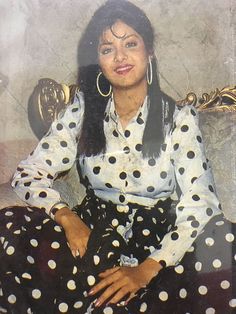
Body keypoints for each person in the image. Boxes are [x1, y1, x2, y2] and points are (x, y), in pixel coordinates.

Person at [0, 0, 235, 313]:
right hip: (93, 232)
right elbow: (29, 173)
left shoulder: (177, 119)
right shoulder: (83, 111)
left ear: (148, 52)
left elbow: (201, 203)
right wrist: (66, 217)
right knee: (10, 230)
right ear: (98, 59)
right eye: (107, 48)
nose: (120, 56)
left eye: (130, 44)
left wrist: (146, 269)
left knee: (223, 244)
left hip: (160, 243)